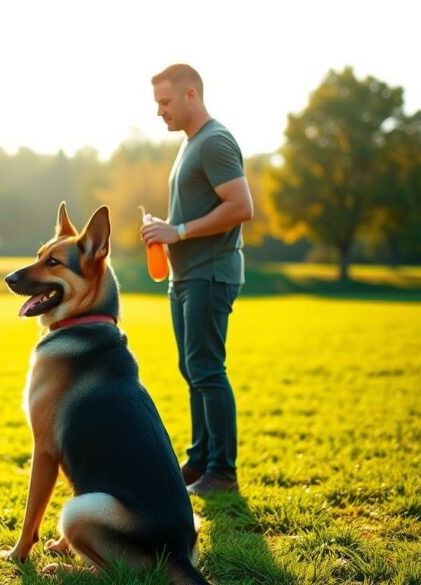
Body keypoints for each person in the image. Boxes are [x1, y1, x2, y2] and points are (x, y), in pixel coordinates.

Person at [141, 64, 254, 496]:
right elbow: (197, 212)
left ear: (192, 95)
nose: (159, 112)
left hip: (211, 274)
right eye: (157, 104)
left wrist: (180, 232)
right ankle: (201, 459)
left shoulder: (215, 141)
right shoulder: (190, 145)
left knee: (207, 369)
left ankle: (222, 473)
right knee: (192, 368)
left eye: (165, 103)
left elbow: (241, 206)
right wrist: (164, 227)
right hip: (185, 275)